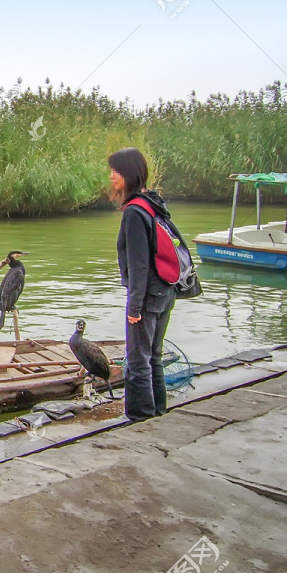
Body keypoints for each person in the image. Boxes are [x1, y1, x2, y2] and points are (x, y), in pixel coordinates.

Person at [108, 147, 176, 421]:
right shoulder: (154, 202)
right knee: (153, 357)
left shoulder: (135, 212)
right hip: (165, 289)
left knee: (137, 361)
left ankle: (139, 418)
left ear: (128, 174)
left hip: (147, 295)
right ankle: (158, 411)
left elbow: (138, 264)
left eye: (116, 171)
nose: (111, 177)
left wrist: (134, 306)